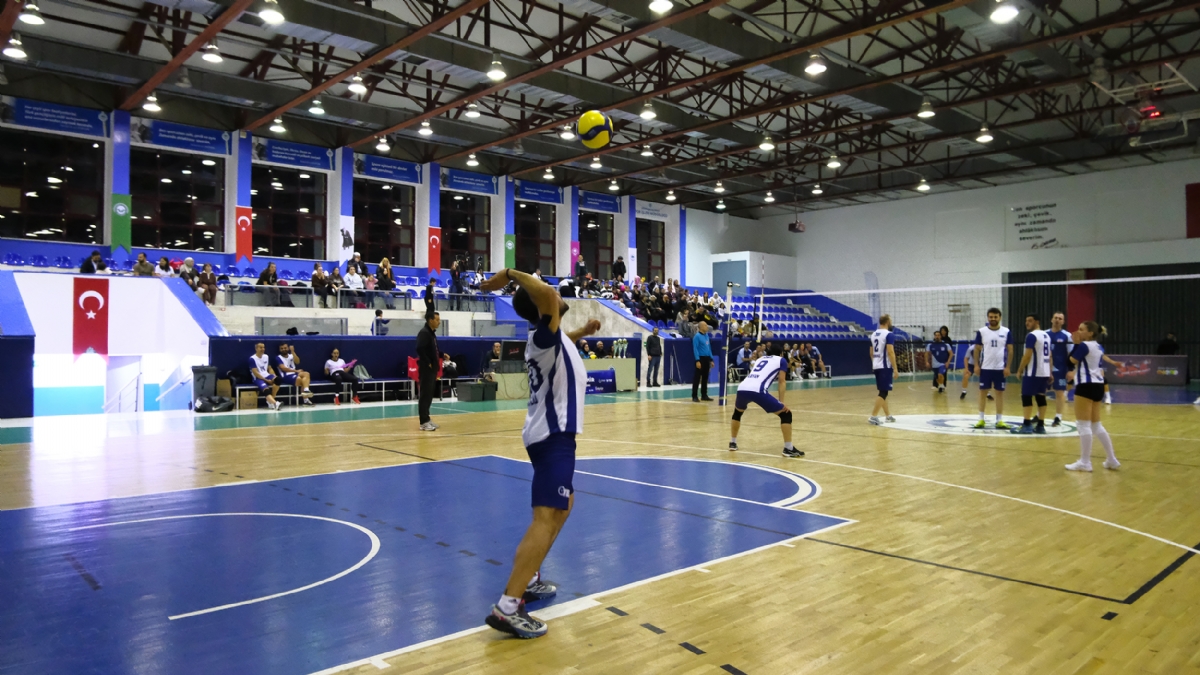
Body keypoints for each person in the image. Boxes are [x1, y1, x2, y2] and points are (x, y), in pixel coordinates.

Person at [477, 266, 601, 640]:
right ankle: (508, 607)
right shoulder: (544, 335)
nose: (556, 294)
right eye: (550, 293)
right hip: (552, 435)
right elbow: (546, 295)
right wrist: (510, 274)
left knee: (564, 505)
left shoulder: (547, 337)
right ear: (541, 305)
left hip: (550, 435)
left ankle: (529, 578)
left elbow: (562, 338)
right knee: (546, 516)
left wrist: (581, 333)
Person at [1065, 322, 1124, 471]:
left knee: (1083, 425)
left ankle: (1085, 462)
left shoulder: (1084, 346)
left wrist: (1075, 344)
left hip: (1086, 385)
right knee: (1096, 425)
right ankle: (1111, 459)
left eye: (1081, 329)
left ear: (1090, 333)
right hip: (1098, 385)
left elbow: (1070, 361)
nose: (1078, 331)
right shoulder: (1098, 346)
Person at [730, 343, 800, 457]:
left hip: (742, 387)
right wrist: (781, 402)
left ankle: (732, 443)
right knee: (786, 414)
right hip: (757, 390)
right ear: (781, 353)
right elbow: (782, 381)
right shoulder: (781, 360)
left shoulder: (760, 359)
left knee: (737, 413)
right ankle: (788, 448)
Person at [972, 307, 1014, 429]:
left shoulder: (1006, 331)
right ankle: (981, 419)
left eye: (995, 317)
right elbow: (977, 349)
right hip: (985, 368)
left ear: (1000, 317)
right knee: (982, 392)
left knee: (999, 393)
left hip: (1000, 368)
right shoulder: (982, 331)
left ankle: (999, 420)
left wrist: (1008, 367)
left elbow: (1010, 350)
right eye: (991, 317)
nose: (993, 319)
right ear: (988, 318)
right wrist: (976, 365)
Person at [1013, 314, 1051, 434]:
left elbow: (1027, 355)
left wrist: (1019, 370)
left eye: (1030, 321)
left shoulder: (1032, 336)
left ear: (1037, 322)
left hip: (1033, 372)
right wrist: (1050, 372)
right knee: (1040, 397)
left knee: (1026, 396)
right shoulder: (1047, 335)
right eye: (1026, 321)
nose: (1027, 323)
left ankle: (1027, 425)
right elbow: (1050, 355)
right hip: (1044, 372)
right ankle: (1040, 425)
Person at [868, 315, 898, 425]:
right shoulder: (889, 334)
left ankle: (887, 415)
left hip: (876, 365)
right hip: (885, 367)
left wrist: (875, 363)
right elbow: (890, 352)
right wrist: (895, 368)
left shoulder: (873, 334)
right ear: (887, 322)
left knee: (883, 391)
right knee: (884, 392)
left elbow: (871, 353)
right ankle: (873, 416)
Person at [416, 305, 440, 431]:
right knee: (425, 395)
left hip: (432, 368)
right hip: (426, 369)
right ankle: (423, 422)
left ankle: (427, 418)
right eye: (437, 320)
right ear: (430, 320)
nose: (439, 322)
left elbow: (431, 349)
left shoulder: (431, 333)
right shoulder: (424, 333)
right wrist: (428, 362)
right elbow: (419, 349)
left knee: (430, 394)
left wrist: (441, 355)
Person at [1047, 311, 1073, 426]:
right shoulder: (1044, 334)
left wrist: (1071, 369)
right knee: (1040, 391)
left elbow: (1071, 353)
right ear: (1051, 319)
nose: (1057, 320)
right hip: (1045, 368)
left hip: (1061, 368)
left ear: (1063, 322)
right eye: (1055, 318)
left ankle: (1058, 417)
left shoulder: (1067, 336)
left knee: (1060, 392)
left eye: (1060, 318)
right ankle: (1039, 415)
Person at [249, 342, 282, 410]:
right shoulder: (252, 359)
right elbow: (255, 372)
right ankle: (275, 403)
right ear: (256, 349)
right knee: (266, 390)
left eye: (263, 347)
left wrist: (274, 376)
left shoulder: (266, 356)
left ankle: (270, 401)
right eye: (260, 347)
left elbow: (269, 368)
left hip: (267, 375)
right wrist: (266, 380)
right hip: (258, 378)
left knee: (278, 379)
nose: (263, 349)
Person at [691, 320, 713, 402]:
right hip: (700, 358)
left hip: (706, 358)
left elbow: (709, 348)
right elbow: (695, 349)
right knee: (697, 378)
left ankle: (704, 395)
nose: (707, 327)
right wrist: (697, 360)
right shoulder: (697, 336)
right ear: (700, 327)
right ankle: (694, 396)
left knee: (705, 378)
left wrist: (711, 359)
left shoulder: (707, 336)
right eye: (705, 325)